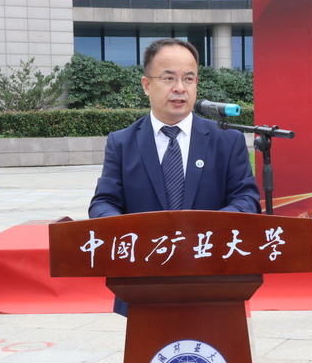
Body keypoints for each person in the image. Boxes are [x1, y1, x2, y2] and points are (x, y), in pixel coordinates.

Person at [89, 38, 261, 315]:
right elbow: (103, 203)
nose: (180, 88)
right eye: (168, 78)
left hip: (214, 276)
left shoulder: (227, 140)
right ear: (147, 85)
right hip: (144, 281)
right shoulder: (122, 143)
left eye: (188, 79)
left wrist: (206, 231)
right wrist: (135, 234)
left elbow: (247, 199)